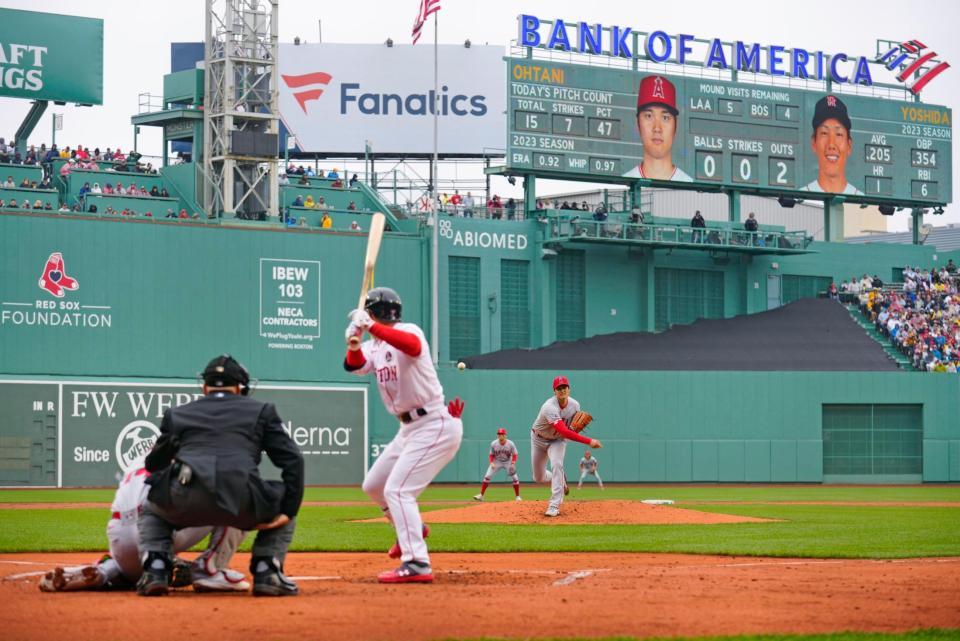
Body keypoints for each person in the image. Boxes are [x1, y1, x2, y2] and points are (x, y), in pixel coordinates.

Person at [137, 355, 304, 597]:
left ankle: (156, 568)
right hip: (241, 498)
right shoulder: (262, 411)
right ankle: (267, 570)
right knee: (284, 500)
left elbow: (154, 463)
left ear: (205, 387)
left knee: (151, 508)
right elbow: (293, 460)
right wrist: (288, 511)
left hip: (185, 495)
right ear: (241, 388)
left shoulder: (178, 414)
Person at [345, 288, 464, 583]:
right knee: (374, 485)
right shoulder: (374, 346)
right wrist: (354, 338)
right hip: (408, 428)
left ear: (375, 313)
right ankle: (412, 528)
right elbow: (354, 365)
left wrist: (370, 326)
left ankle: (417, 563)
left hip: (434, 422)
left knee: (398, 491)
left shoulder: (409, 331)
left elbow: (410, 346)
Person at [39, 465, 249, 593]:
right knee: (240, 497)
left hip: (120, 541)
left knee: (132, 565)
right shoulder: (196, 453)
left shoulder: (145, 457)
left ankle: (105, 571)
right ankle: (208, 569)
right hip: (156, 530)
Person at [531, 376, 601, 517]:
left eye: (564, 387)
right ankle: (561, 479)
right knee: (538, 478)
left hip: (558, 440)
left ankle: (554, 505)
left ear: (569, 389)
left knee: (557, 464)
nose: (562, 390)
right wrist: (589, 441)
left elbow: (569, 430)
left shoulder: (575, 405)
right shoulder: (549, 407)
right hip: (538, 439)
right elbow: (564, 430)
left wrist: (573, 431)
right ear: (554, 391)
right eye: (559, 388)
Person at [623, 75, 693, 181]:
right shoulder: (625, 184)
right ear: (638, 123)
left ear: (676, 125)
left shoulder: (689, 185)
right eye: (649, 116)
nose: (657, 128)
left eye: (665, 118)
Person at [801, 95, 864, 195]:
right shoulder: (800, 198)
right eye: (824, 133)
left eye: (839, 134)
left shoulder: (862, 203)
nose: (831, 144)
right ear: (814, 142)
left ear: (849, 145)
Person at [473, 428, 521, 502]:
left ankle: (517, 496)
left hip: (508, 461)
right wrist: (491, 462)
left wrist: (513, 463)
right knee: (487, 476)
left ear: (505, 435)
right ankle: (481, 495)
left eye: (502, 434)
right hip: (497, 461)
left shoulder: (510, 443)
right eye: (499, 434)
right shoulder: (494, 443)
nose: (500, 436)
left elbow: (515, 454)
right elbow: (491, 454)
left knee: (515, 478)